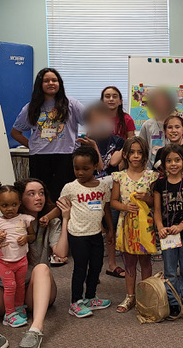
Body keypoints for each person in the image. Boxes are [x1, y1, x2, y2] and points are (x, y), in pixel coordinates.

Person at [0, 178, 68, 348]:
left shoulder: (49, 222)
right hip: (5, 290)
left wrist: (65, 219)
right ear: (20, 199)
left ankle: (35, 330)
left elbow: (61, 253)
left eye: (41, 193)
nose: (38, 197)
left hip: (35, 291)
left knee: (41, 268)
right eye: (31, 194)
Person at [11, 68, 85, 200]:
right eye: (46, 81)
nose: (51, 83)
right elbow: (15, 133)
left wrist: (85, 143)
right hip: (39, 157)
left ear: (59, 83)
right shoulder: (31, 108)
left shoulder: (71, 104)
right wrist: (32, 145)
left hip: (66, 156)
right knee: (41, 197)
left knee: (65, 196)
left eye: (54, 80)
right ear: (40, 84)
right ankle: (43, 221)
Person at [59, 145, 114, 317]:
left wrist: (110, 229)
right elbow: (60, 205)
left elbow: (106, 208)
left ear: (95, 166)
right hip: (77, 235)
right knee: (80, 268)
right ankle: (75, 302)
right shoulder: (70, 187)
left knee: (96, 266)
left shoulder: (103, 186)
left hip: (96, 234)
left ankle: (90, 297)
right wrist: (47, 216)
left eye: (85, 168)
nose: (80, 172)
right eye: (76, 168)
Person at [111, 137, 159, 313]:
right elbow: (113, 201)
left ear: (145, 155)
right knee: (129, 262)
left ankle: (145, 294)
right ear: (125, 154)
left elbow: (155, 201)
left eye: (139, 152)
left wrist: (147, 198)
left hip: (145, 227)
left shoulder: (151, 176)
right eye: (132, 152)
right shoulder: (119, 177)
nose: (136, 156)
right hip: (126, 226)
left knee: (146, 261)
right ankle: (130, 296)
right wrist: (124, 207)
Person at [80, 102, 125, 278]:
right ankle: (92, 269)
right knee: (93, 229)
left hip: (112, 190)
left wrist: (95, 147)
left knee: (111, 227)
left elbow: (110, 164)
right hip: (92, 191)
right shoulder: (86, 142)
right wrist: (92, 145)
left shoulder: (119, 141)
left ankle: (112, 265)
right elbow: (95, 168)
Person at [153, 144, 183, 317]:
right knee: (170, 270)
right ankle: (173, 300)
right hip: (167, 236)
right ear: (163, 164)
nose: (173, 164)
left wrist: (181, 226)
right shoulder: (159, 185)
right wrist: (159, 227)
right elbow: (157, 211)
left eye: (177, 160)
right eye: (169, 161)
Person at [0, 183, 36, 328]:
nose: (10, 209)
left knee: (20, 286)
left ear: (20, 203)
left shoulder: (25, 219)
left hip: (21, 260)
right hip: (4, 262)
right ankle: (9, 314)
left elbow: (32, 236)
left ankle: (19, 308)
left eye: (14, 204)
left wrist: (26, 238)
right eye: (5, 205)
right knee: (10, 286)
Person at [154, 115, 183, 180]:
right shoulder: (161, 152)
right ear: (164, 132)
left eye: (177, 127)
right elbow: (157, 174)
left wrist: (177, 184)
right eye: (170, 127)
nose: (173, 130)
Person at [139, 87, 177, 169]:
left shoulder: (176, 124)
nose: (160, 104)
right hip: (151, 169)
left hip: (173, 169)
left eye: (163, 101)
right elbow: (141, 148)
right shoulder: (147, 125)